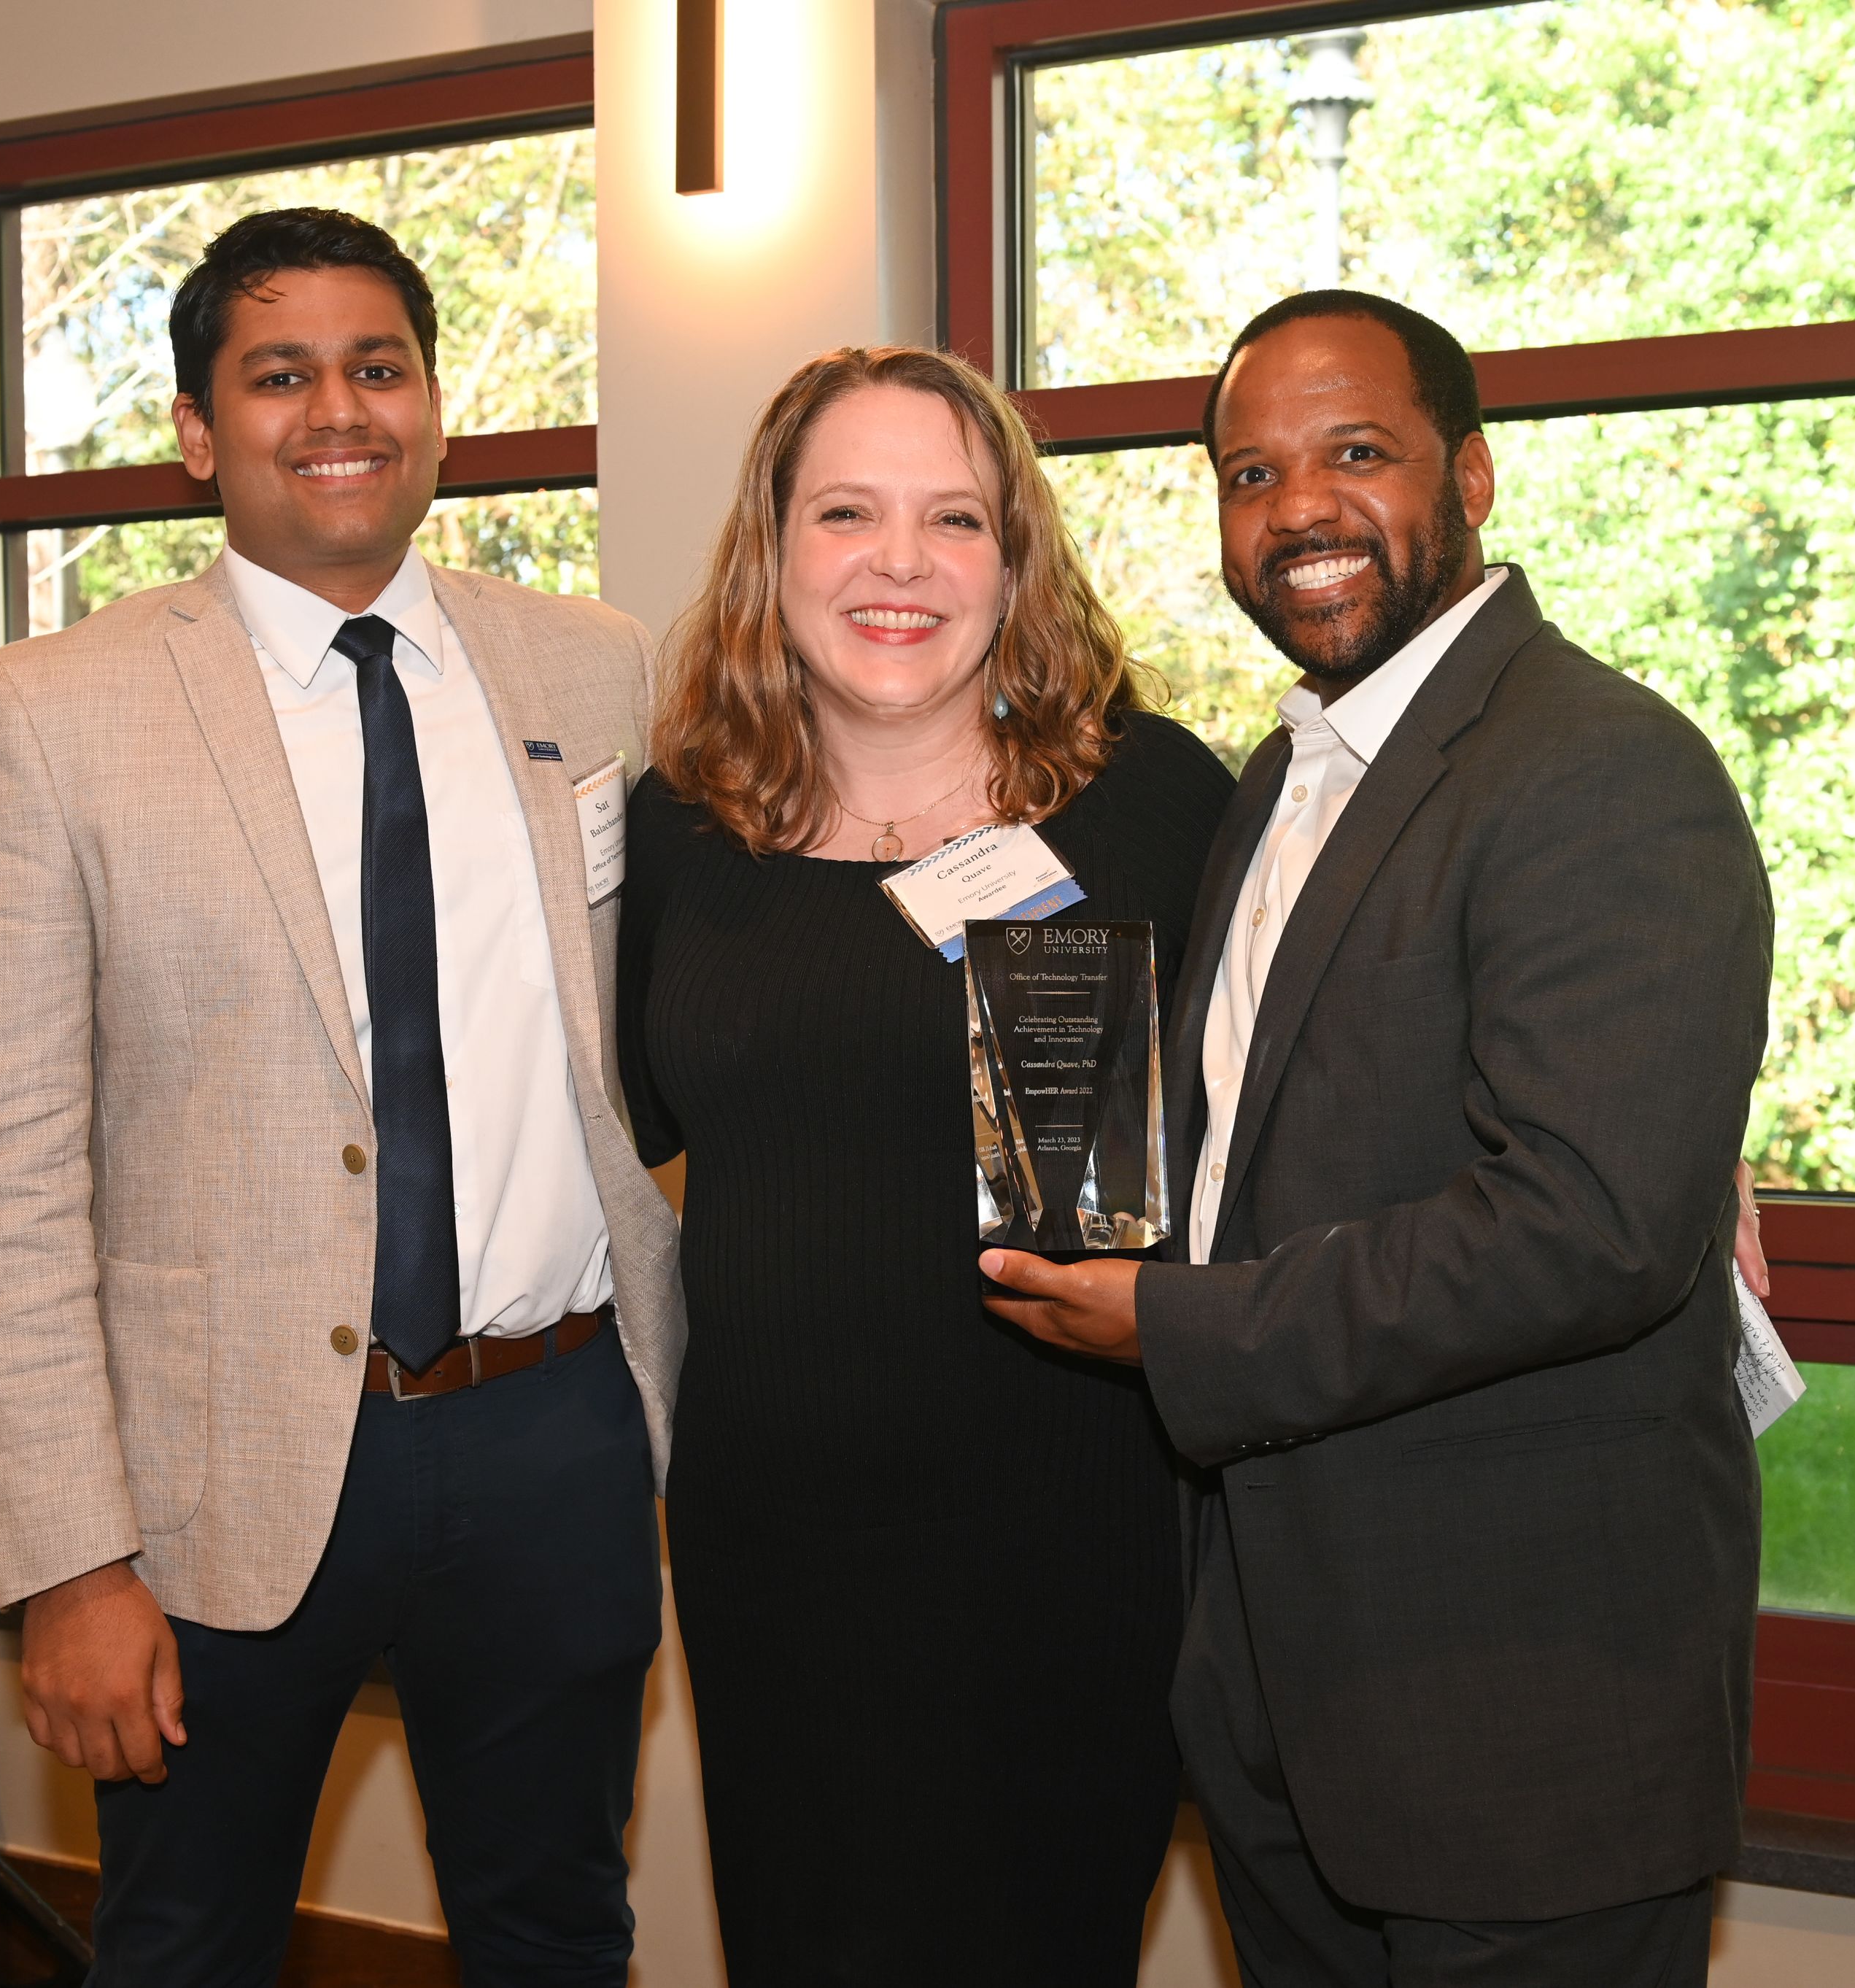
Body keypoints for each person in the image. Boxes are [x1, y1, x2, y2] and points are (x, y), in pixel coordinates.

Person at [0, 208, 679, 1988]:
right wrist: (68, 1562)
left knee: (559, 1926)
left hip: (552, 1430)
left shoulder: (596, 671)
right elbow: (2, 1176)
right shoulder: (53, 714)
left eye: (376, 363)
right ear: (200, 433)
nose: (335, 406)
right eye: (279, 374)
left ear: (431, 405)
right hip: (211, 1473)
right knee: (185, 1945)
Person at [982, 289, 1778, 1987]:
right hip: (1279, 1677)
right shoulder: (1282, 783)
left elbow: (1589, 1222)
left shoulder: (1600, 766)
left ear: (1471, 476)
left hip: (1520, 1698)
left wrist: (1174, 1324)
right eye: (1249, 473)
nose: (1296, 513)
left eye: (1355, 455)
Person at [615, 345, 1236, 1985]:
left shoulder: (1155, 806)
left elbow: (1351, 1023)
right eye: (846, 513)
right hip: (776, 1560)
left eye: (952, 520)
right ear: (772, 550)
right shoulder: (676, 836)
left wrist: (1645, 1131)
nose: (898, 562)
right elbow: (601, 1122)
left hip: (1068, 1547)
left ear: (1012, 564)